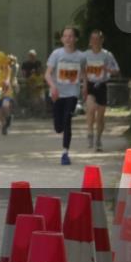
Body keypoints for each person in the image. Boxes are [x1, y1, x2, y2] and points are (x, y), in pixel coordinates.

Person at [44, 26, 86, 166]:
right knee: (58, 127)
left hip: (72, 93)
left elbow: (84, 73)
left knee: (67, 119)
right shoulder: (56, 54)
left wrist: (85, 86)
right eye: (65, 36)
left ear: (76, 39)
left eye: (71, 36)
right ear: (62, 39)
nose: (68, 39)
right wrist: (53, 86)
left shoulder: (81, 57)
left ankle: (65, 153)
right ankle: (59, 126)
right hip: (57, 93)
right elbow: (47, 74)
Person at [83, 30, 119, 151]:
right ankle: (90, 132)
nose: (95, 42)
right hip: (91, 84)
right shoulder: (86, 55)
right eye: (93, 39)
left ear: (101, 40)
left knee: (100, 117)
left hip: (102, 85)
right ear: (90, 41)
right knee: (90, 109)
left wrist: (107, 69)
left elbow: (116, 70)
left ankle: (98, 139)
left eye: (97, 39)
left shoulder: (107, 55)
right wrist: (84, 85)